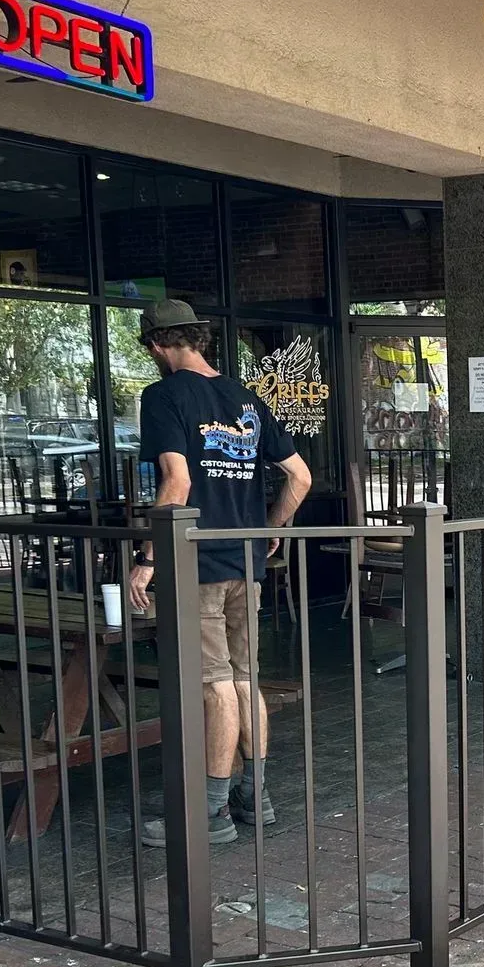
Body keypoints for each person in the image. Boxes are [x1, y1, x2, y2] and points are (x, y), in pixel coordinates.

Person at [126, 300, 312, 846]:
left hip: (200, 562)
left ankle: (207, 816)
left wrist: (147, 558)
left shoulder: (163, 396)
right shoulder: (245, 398)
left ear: (158, 345)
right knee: (245, 677)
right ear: (198, 339)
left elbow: (176, 485)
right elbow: (299, 476)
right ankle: (256, 799)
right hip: (246, 561)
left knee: (215, 685)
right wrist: (273, 526)